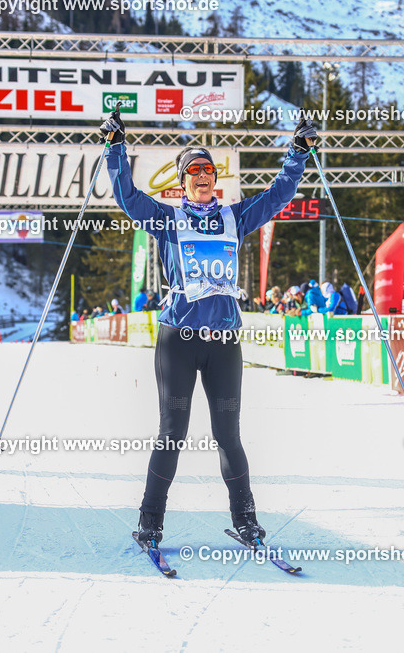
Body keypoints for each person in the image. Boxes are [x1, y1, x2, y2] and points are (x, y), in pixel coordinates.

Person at [100, 106, 318, 548]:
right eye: (194, 170)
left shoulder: (236, 218)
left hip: (222, 341)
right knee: (171, 434)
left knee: (228, 435)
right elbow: (126, 195)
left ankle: (246, 520)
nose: (202, 175)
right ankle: (150, 520)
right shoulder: (166, 219)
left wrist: (297, 153)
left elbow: (278, 194)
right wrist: (115, 147)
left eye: (208, 169)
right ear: (182, 181)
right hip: (178, 339)